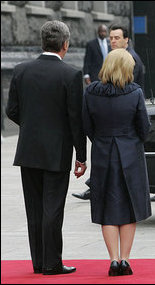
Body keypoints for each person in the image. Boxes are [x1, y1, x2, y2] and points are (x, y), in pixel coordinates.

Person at [6, 20, 87, 275]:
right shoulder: (71, 74)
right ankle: (52, 263)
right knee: (53, 207)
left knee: (34, 208)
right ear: (65, 44)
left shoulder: (20, 70)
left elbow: (12, 111)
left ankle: (39, 261)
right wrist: (81, 156)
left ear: (43, 42)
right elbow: (76, 119)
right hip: (56, 151)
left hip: (28, 150)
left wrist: (30, 127)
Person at [82, 48, 151, 276]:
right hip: (130, 153)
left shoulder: (91, 92)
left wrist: (102, 140)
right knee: (129, 207)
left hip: (102, 152)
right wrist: (131, 140)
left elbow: (87, 125)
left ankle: (112, 260)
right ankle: (125, 259)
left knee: (107, 207)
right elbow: (144, 128)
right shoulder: (135, 93)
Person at [73, 24, 146, 201]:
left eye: (117, 38)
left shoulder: (131, 61)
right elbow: (88, 121)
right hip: (114, 142)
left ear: (126, 40)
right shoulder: (94, 90)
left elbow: (134, 111)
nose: (113, 41)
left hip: (121, 142)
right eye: (111, 38)